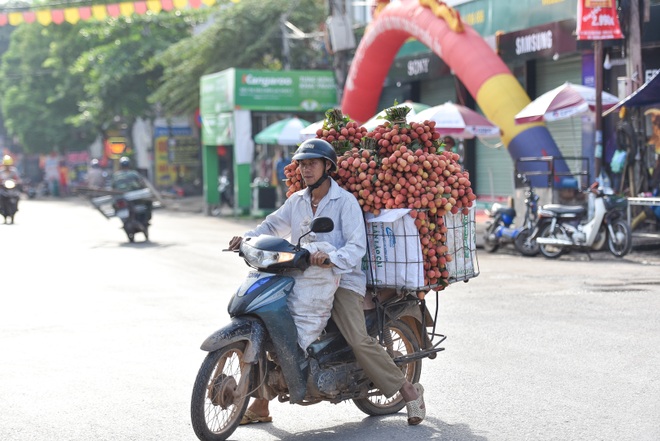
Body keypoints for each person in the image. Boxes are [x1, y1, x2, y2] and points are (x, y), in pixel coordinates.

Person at [228, 139, 426, 427]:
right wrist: (245, 238)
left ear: (327, 167)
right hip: (305, 276)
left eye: (312, 164)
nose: (306, 169)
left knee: (357, 338)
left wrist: (331, 259)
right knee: (275, 325)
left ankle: (409, 392)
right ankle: (260, 405)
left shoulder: (344, 201)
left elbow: (356, 247)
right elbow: (270, 226)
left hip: (343, 278)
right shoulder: (296, 201)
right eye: (302, 164)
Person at [112, 156, 153, 222]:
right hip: (136, 197)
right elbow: (142, 185)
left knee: (114, 204)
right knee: (148, 201)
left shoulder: (116, 175)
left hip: (121, 198)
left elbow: (112, 188)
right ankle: (148, 218)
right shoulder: (134, 173)